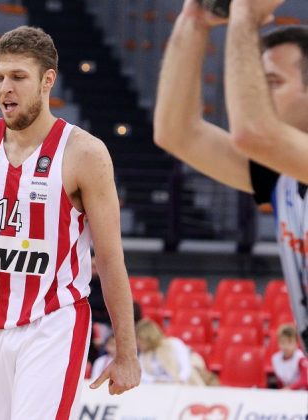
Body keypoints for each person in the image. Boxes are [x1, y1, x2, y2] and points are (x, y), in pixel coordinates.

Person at [0, 26, 140, 420]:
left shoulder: (85, 153)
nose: (5, 88)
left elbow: (110, 258)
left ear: (48, 80)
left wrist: (127, 351)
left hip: (51, 324)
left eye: (18, 77)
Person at [153, 0, 308, 350]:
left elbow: (253, 134)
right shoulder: (283, 175)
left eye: (273, 83)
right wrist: (194, 21)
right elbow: (177, 133)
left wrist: (244, 16)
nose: (259, 95)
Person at [136, 319, 204, 385]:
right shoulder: (143, 355)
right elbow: (142, 375)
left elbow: (186, 366)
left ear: (148, 337)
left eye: (140, 339)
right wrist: (155, 380)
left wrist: (181, 379)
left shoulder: (173, 343)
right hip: (160, 387)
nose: (137, 343)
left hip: (181, 383)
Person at [271, 323, 308, 390]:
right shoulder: (275, 359)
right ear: (278, 343)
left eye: (290, 342)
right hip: (286, 393)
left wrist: (289, 388)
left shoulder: (301, 358)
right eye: (283, 342)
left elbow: (305, 380)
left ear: (296, 343)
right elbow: (280, 381)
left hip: (301, 393)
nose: (286, 346)